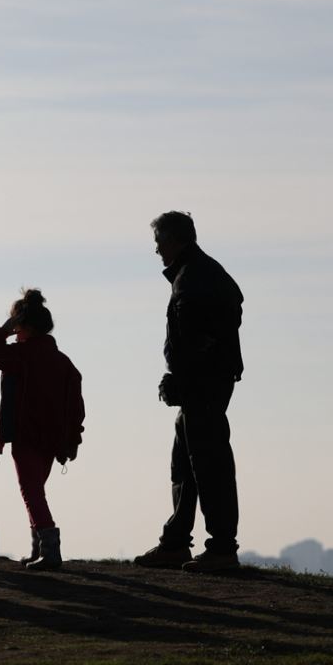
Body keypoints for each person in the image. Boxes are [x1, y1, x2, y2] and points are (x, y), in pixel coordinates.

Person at [134, 211, 245, 573]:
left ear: (176, 240)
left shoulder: (193, 278)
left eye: (159, 243)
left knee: (208, 463)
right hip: (205, 383)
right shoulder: (200, 273)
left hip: (203, 386)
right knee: (186, 461)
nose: (156, 251)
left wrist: (181, 378)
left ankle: (221, 549)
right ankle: (176, 542)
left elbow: (196, 340)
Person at [0, 290, 84, 571]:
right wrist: (73, 439)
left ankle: (49, 547)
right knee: (35, 490)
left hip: (26, 434)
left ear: (21, 326)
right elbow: (76, 406)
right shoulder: (64, 363)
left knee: (31, 492)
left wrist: (1, 329)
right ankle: (38, 547)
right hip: (53, 438)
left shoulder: (20, 355)